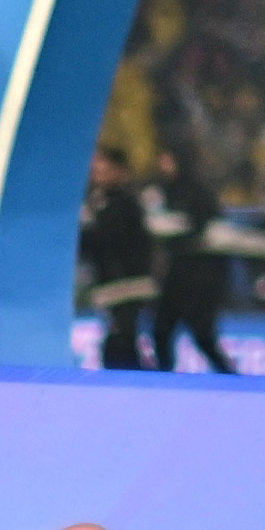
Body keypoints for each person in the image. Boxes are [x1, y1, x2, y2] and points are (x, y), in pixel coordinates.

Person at [147, 153, 236, 375]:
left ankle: (230, 378)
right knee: (162, 330)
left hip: (198, 279)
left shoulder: (196, 192)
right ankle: (164, 376)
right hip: (177, 277)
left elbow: (201, 227)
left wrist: (175, 234)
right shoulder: (163, 192)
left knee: (201, 335)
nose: (162, 165)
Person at [82, 144, 159, 370]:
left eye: (103, 168)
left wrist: (87, 233)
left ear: (119, 171)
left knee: (120, 339)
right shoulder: (97, 200)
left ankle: (138, 383)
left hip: (127, 283)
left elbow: (112, 238)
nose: (97, 172)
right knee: (121, 340)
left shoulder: (124, 202)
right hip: (111, 283)